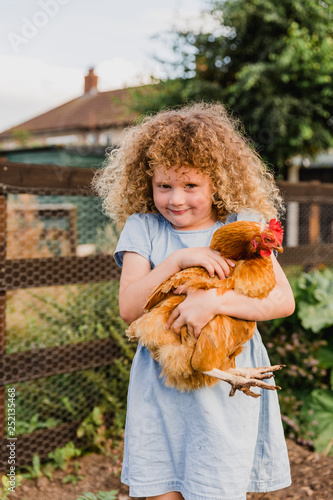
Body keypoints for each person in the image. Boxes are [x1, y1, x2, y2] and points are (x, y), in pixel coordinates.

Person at [93, 102, 295, 500]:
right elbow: (130, 308)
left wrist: (214, 303)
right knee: (161, 488)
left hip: (225, 383)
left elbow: (282, 300)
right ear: (146, 182)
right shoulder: (144, 229)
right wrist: (177, 259)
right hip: (162, 388)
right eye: (164, 186)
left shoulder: (241, 224)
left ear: (216, 182)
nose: (175, 199)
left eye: (190, 186)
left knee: (216, 487)